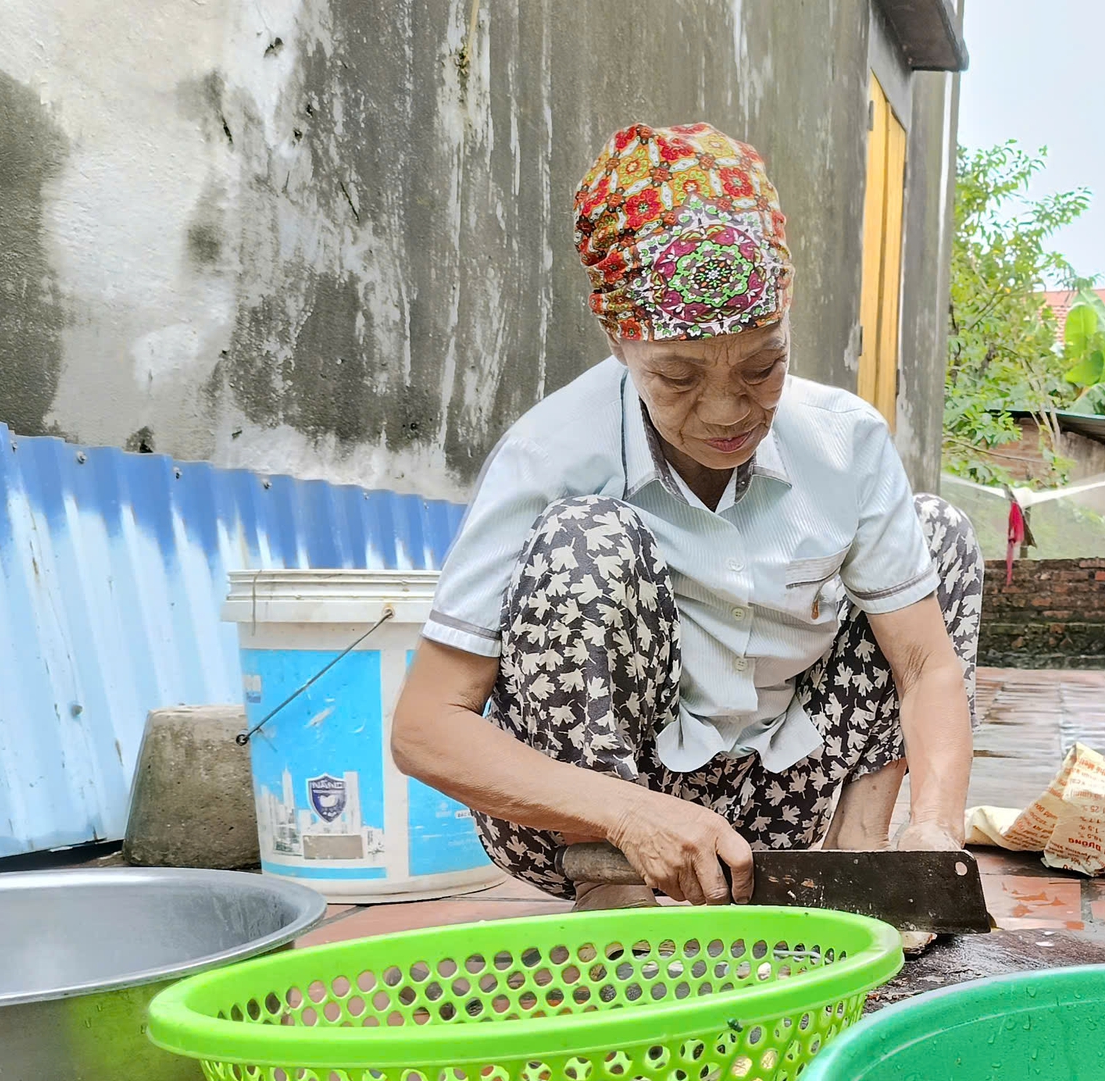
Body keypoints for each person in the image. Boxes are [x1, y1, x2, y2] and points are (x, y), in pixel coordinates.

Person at [391, 122, 980, 914]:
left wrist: (937, 833)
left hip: (775, 805)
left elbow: (924, 666)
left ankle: (860, 860)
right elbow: (426, 726)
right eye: (677, 376)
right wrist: (630, 815)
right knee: (586, 541)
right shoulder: (550, 455)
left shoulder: (845, 443)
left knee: (936, 533)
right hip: (594, 813)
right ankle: (617, 900)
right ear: (619, 342)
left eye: (763, 365)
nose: (728, 410)